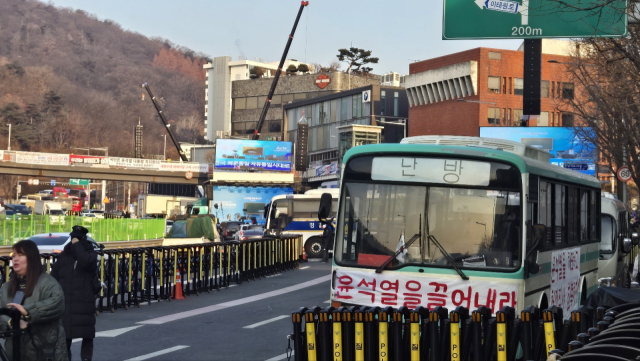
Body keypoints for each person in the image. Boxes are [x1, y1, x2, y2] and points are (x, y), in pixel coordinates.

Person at [0, 240, 68, 361]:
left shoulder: (47, 282)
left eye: (20, 255)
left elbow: (57, 303)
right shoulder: (6, 288)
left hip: (45, 352)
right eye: (14, 255)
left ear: (32, 258)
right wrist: (12, 321)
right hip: (15, 352)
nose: (15, 259)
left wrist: (27, 312)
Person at [51, 225, 98, 361]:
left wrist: (77, 246)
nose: (74, 241)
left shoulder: (90, 254)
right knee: (66, 336)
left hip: (84, 300)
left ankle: (86, 359)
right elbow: (54, 276)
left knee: (87, 334)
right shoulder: (64, 255)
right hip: (66, 301)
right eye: (73, 238)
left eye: (76, 238)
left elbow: (85, 262)